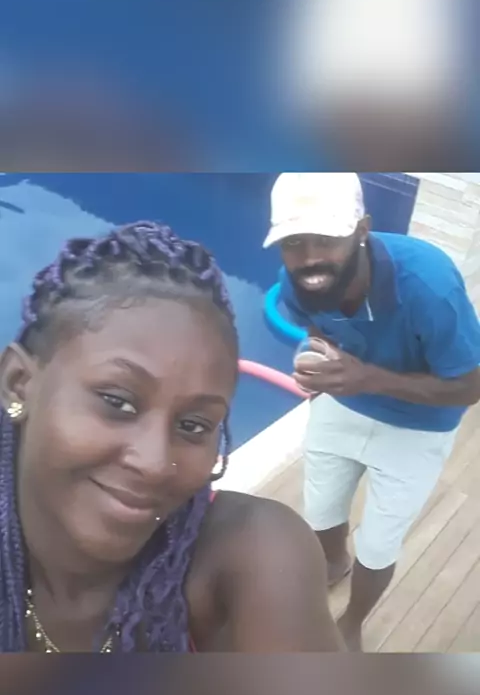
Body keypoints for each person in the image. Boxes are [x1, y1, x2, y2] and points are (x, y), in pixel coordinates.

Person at [0, 220, 342, 653]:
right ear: (18, 383)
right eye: (117, 401)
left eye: (193, 426)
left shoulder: (253, 559)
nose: (155, 463)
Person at [263, 172, 480, 650]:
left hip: (419, 424)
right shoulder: (295, 283)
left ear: (362, 229)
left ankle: (352, 622)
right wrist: (323, 365)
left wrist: (368, 379)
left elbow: (470, 385)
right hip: (343, 403)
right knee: (320, 511)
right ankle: (333, 563)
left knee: (379, 544)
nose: (310, 257)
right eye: (294, 242)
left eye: (326, 239)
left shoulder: (429, 285)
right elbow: (315, 327)